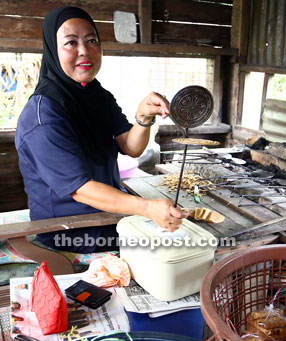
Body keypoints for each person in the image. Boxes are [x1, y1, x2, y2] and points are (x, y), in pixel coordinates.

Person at [15, 6, 188, 253]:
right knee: (174, 247)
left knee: (183, 234)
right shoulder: (44, 115)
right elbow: (80, 189)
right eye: (71, 43)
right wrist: (148, 208)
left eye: (92, 40)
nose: (84, 51)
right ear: (53, 51)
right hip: (70, 230)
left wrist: (143, 116)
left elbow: (131, 147)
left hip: (104, 214)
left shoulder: (97, 95)